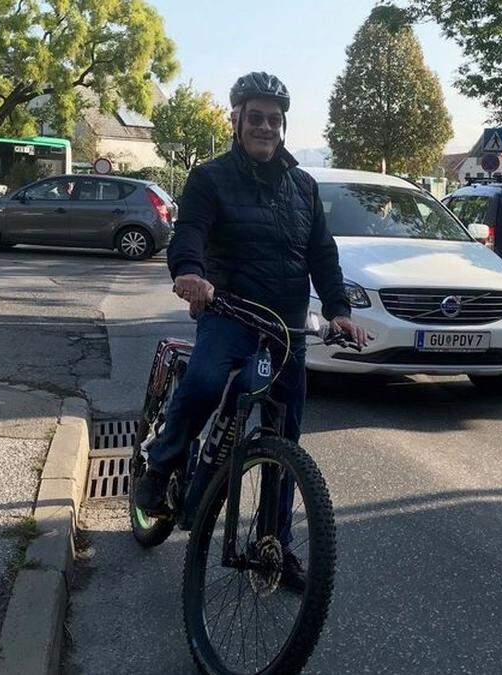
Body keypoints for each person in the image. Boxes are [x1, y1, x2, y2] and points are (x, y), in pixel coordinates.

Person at [134, 71, 368, 588]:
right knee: (204, 383)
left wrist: (338, 309)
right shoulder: (211, 178)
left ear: (284, 126)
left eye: (274, 119)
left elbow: (322, 254)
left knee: (286, 437)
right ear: (236, 120)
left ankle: (274, 545)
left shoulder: (304, 187)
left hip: (285, 327)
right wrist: (189, 272)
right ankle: (161, 467)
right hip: (229, 313)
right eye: (255, 117)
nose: (265, 126)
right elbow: (190, 230)